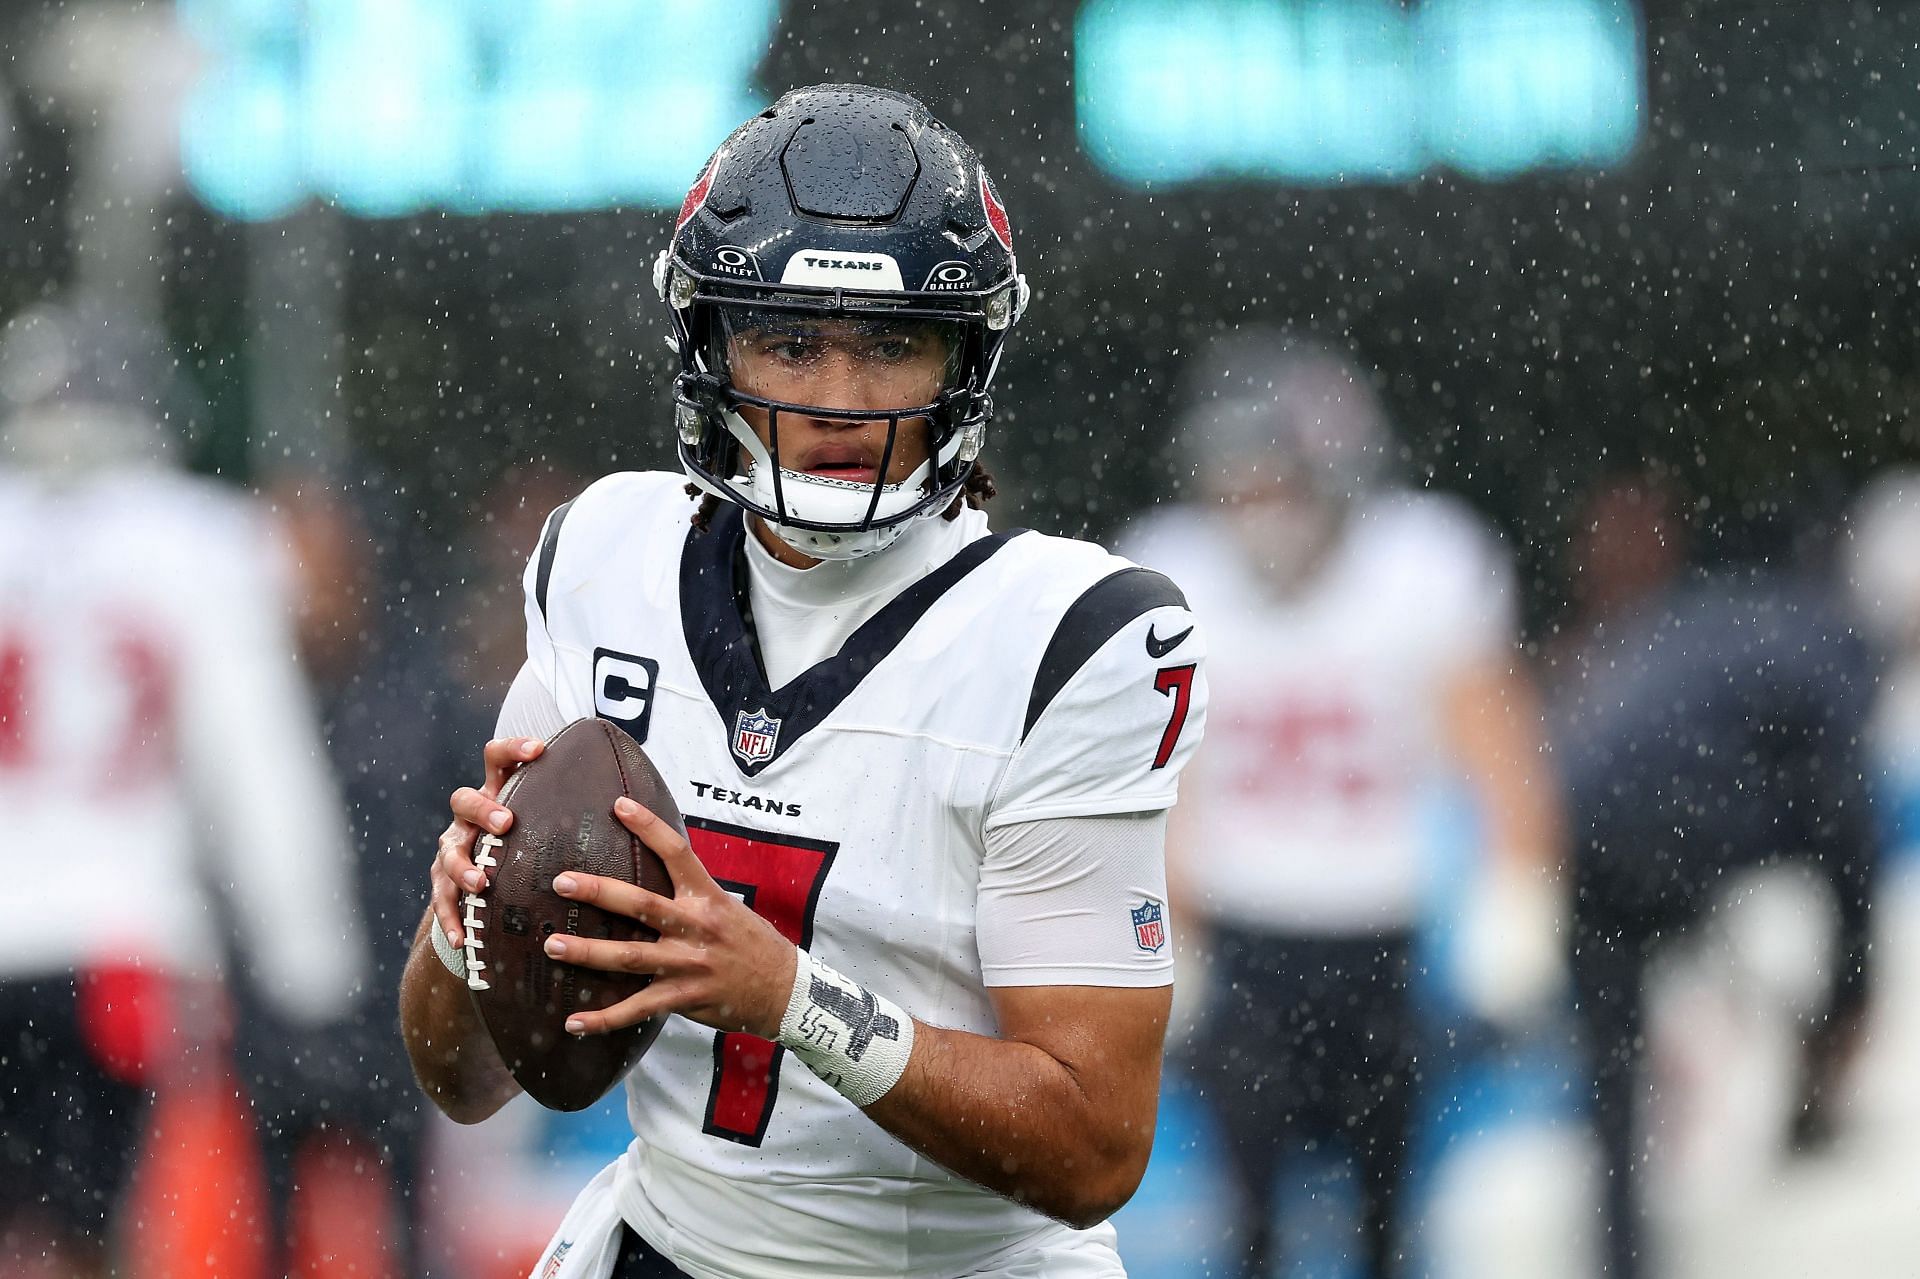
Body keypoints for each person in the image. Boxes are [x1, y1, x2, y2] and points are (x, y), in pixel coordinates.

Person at [399, 84, 1209, 1279]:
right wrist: (472, 925)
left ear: (965, 355)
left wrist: (791, 999)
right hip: (668, 1245)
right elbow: (462, 1078)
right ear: (711, 346)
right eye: (788, 338)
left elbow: (1094, 1146)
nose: (837, 398)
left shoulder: (1070, 636)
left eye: (889, 344)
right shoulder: (602, 558)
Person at [1121, 332, 1566, 1279]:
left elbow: (1499, 746)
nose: (1258, 515)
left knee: (1388, 1216)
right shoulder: (1168, 567)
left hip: (1382, 934)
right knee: (1247, 1217)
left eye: (1278, 485)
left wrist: (1517, 889)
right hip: (1245, 939)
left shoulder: (1424, 561)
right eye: (1236, 488)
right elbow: (1156, 780)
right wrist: (1170, 924)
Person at [0, 296, 369, 1278]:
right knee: (102, 1235)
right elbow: (259, 770)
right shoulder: (203, 541)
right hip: (121, 944)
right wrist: (312, 966)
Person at [1551, 472, 1880, 1279]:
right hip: (1650, 834)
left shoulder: (1708, 612)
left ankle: (1619, 1257)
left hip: (1580, 834)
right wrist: (1848, 988)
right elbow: (1845, 825)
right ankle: (1821, 1065)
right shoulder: (1838, 641)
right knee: (1845, 866)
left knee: (1612, 1093)